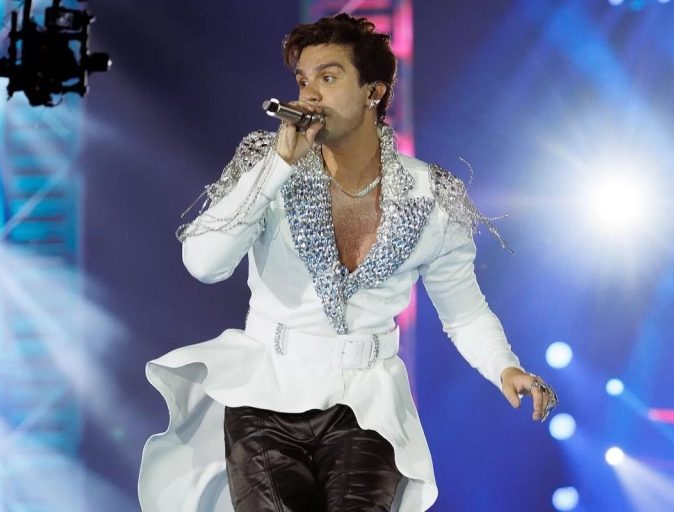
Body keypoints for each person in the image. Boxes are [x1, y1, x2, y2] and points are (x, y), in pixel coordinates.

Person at [138, 13, 557, 512]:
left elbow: (463, 312)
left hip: (366, 404)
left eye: (329, 77)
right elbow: (204, 263)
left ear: (373, 92)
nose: (310, 94)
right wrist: (277, 166)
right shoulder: (267, 166)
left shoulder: (432, 194)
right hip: (266, 394)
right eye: (303, 81)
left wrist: (505, 367)